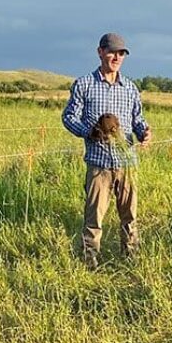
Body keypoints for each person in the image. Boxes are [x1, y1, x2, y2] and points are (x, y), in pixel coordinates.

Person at [62, 33, 152, 267]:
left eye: (121, 53)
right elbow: (68, 116)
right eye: (111, 51)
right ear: (100, 52)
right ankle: (90, 261)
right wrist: (88, 131)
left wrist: (144, 132)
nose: (116, 57)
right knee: (94, 218)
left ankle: (130, 259)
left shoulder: (130, 88)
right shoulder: (84, 84)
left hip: (127, 164)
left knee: (130, 216)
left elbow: (138, 119)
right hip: (99, 164)